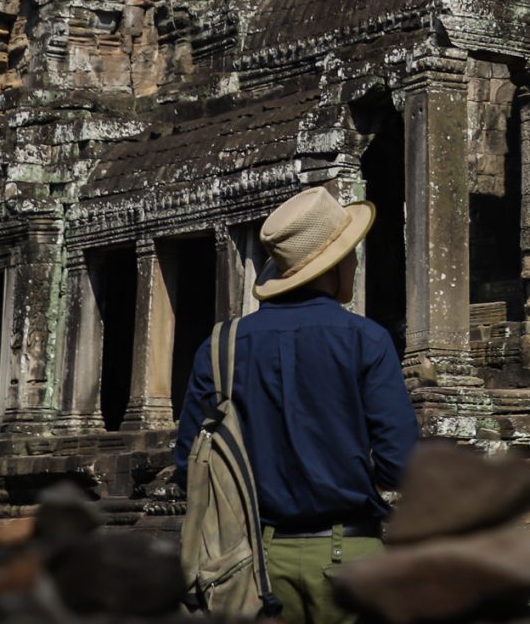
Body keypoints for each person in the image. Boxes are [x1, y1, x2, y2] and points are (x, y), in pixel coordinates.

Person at [175, 187, 419, 624]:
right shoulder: (365, 340)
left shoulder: (221, 346)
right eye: (351, 254)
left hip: (250, 563)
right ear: (336, 265)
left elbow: (189, 467)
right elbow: (400, 464)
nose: (356, 262)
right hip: (352, 555)